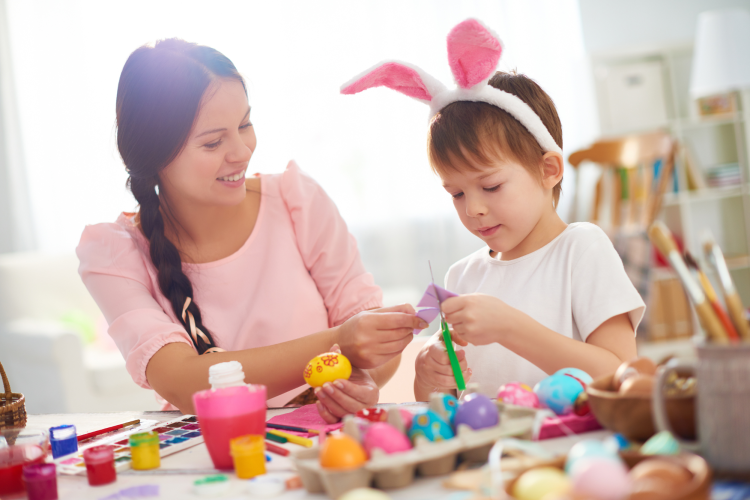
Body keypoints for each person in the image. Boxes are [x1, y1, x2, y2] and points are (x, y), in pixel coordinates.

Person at [76, 39, 425, 418]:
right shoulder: (114, 254)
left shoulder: (297, 201)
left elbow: (367, 341)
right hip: (215, 455)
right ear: (154, 156)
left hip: (323, 444)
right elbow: (183, 382)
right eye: (213, 142)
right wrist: (337, 341)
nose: (241, 151)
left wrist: (362, 381)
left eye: (245, 124)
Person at [339, 19, 645, 401]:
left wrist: (511, 328)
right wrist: (430, 375)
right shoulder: (461, 276)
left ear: (547, 170)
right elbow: (443, 402)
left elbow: (622, 374)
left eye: (491, 186)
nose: (475, 209)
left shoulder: (581, 250)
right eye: (456, 194)